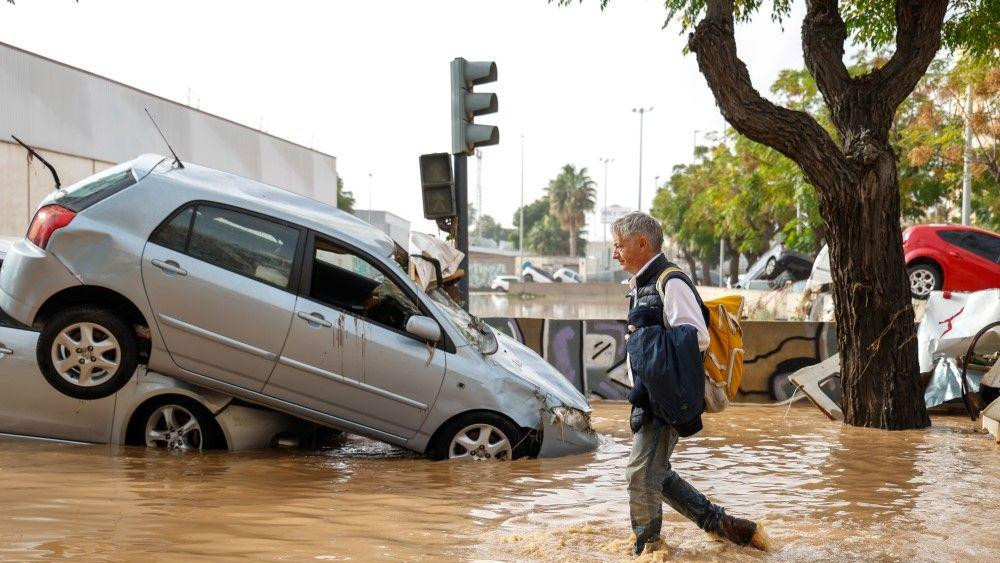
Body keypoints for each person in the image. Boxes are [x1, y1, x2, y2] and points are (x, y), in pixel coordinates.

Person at [611, 212, 767, 556]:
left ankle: (648, 548)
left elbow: (695, 337)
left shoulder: (671, 280)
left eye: (619, 246)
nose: (615, 253)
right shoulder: (643, 285)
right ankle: (728, 528)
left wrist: (644, 338)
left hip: (665, 396)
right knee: (656, 473)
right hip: (650, 395)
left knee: (639, 473)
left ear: (642, 243)